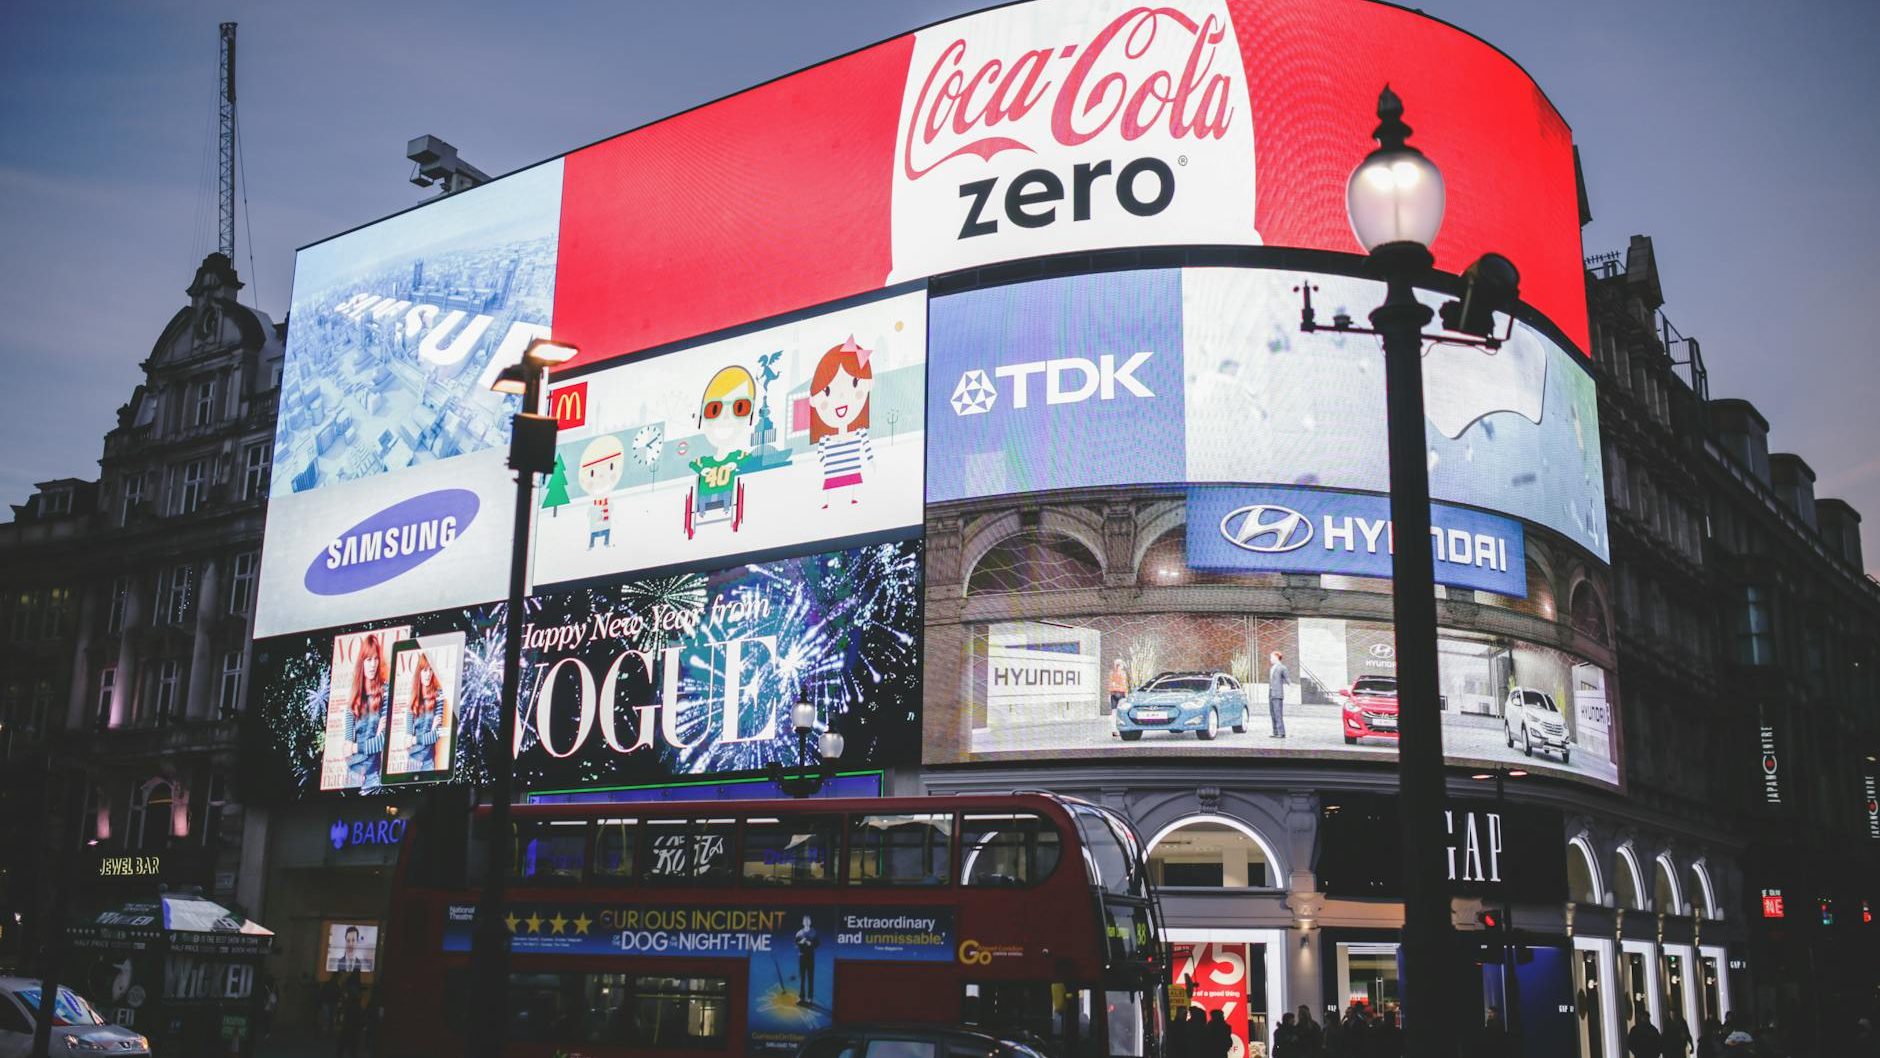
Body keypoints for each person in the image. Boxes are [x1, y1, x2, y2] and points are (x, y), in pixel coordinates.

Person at [807, 337, 877, 509]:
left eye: (854, 383)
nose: (841, 398)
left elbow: (867, 449)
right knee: (832, 489)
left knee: (852, 488)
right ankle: (828, 502)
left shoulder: (859, 433)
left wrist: (871, 463)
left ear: (869, 385)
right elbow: (820, 456)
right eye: (827, 391)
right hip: (832, 474)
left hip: (852, 473)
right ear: (813, 400)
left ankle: (852, 498)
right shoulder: (825, 439)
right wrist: (828, 463)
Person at [347, 636, 388, 786]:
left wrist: (355, 747)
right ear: (362, 662)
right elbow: (346, 747)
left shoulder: (385, 692)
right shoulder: (354, 694)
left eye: (376, 659)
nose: (373, 665)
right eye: (368, 660)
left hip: (373, 776)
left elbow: (382, 742)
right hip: (352, 773)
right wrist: (350, 747)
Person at [404, 650, 450, 773]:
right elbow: (407, 742)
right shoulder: (413, 699)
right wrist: (429, 731)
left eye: (431, 670)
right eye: (425, 670)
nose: (428, 674)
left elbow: (436, 735)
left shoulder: (438, 694)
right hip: (412, 760)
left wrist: (414, 739)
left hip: (429, 762)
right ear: (419, 673)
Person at [794, 914, 820, 1006]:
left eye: (808, 920)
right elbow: (796, 944)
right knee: (802, 979)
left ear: (810, 922)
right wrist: (800, 943)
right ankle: (801, 998)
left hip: (810, 957)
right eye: (805, 920)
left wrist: (811, 944)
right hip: (802, 957)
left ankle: (810, 998)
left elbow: (817, 944)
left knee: (810, 978)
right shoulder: (799, 933)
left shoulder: (814, 932)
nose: (806, 922)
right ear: (802, 922)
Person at [1267, 651, 1290, 737]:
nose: (1270, 659)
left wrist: (1290, 684)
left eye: (1271, 657)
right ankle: (1275, 732)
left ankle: (1281, 732)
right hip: (1271, 693)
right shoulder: (1272, 668)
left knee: (1278, 713)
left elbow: (1287, 678)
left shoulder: (1282, 668)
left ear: (1276, 657)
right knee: (1272, 713)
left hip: (1277, 694)